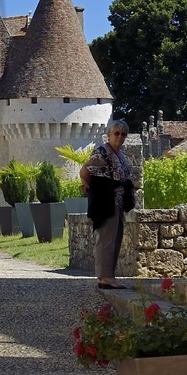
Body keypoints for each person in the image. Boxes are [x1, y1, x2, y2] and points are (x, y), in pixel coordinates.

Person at [81, 119, 133, 290]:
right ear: (108, 135)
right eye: (116, 133)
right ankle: (105, 277)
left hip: (117, 202)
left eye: (123, 134)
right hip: (106, 202)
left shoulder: (120, 154)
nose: (120, 137)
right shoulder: (103, 151)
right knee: (105, 239)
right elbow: (85, 171)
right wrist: (90, 187)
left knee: (115, 239)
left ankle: (109, 276)